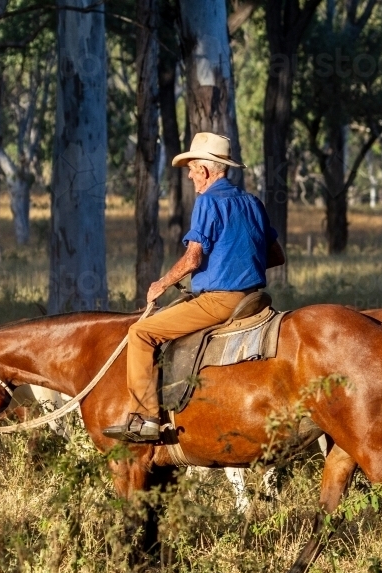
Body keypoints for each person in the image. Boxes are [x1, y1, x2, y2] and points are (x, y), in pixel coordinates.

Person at [103, 132, 285, 443]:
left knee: (141, 333)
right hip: (254, 299)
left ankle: (146, 418)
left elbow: (192, 258)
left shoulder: (208, 201)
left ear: (204, 170)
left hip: (219, 302)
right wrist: (237, 266)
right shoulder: (252, 202)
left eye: (191, 168)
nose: (189, 175)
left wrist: (161, 283)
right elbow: (275, 255)